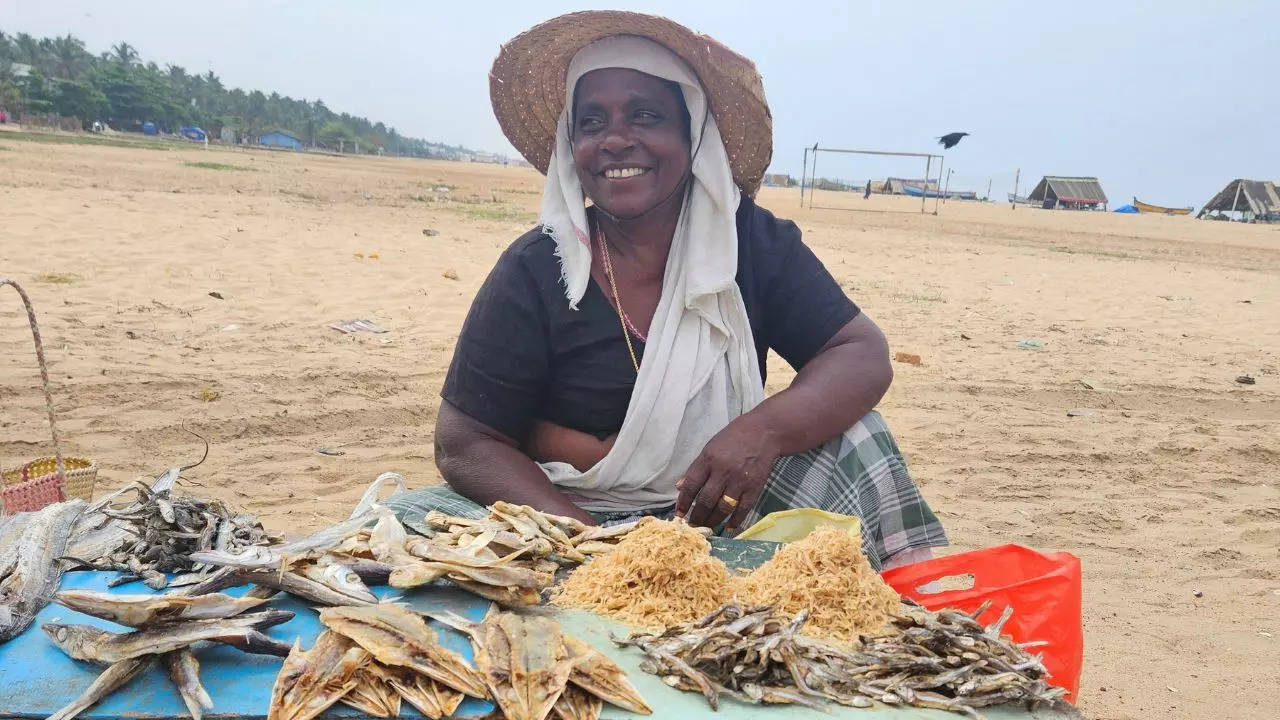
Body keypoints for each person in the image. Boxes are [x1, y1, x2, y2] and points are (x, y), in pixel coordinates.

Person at [386, 11, 947, 570]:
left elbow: (860, 353)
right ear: (570, 144)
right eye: (591, 122)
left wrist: (760, 433)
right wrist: (593, 548)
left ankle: (903, 602)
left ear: (692, 133)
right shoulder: (536, 269)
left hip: (719, 506)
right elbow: (465, 443)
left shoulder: (749, 243)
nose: (616, 140)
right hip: (566, 520)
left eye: (645, 115)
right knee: (406, 524)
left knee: (859, 437)